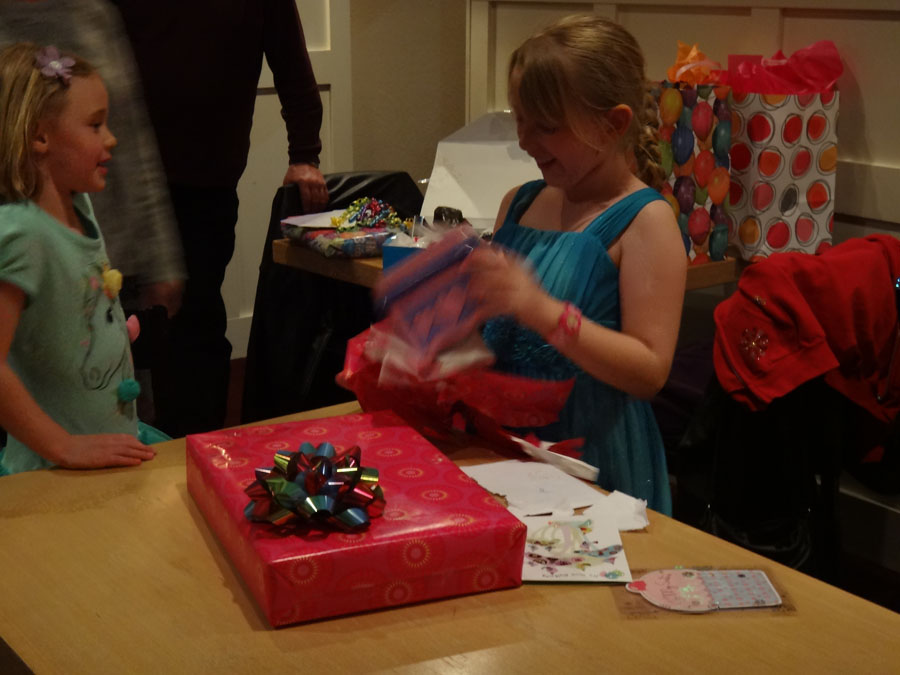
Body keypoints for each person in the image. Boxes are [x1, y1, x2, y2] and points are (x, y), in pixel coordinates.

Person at [464, 16, 687, 514]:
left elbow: (649, 371)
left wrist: (541, 311)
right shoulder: (519, 203)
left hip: (595, 463)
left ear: (613, 125)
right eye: (520, 119)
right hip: (507, 452)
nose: (525, 140)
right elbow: (491, 336)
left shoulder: (646, 222)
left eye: (547, 126)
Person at [113, 0, 329, 437]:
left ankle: (199, 447)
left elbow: (292, 65)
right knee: (112, 321)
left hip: (206, 184)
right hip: (118, 179)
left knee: (196, 323)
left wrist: (305, 155)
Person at [0, 43, 165, 475]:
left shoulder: (79, 206)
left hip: (105, 450)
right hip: (51, 471)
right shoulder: (22, 233)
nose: (110, 138)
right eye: (95, 125)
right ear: (40, 136)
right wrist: (63, 446)